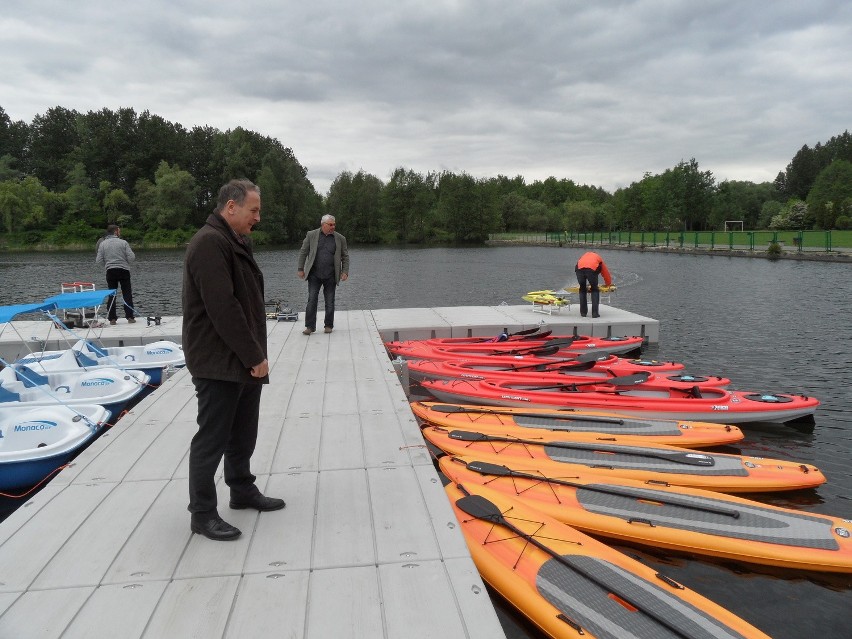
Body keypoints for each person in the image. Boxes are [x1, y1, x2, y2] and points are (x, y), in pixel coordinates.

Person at [182, 178, 284, 542]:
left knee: (243, 432)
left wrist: (253, 355)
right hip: (217, 359)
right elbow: (223, 308)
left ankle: (241, 490)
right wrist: (254, 355)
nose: (258, 217)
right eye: (253, 210)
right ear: (231, 207)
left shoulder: (235, 239)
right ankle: (203, 513)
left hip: (239, 357)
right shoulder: (210, 243)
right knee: (212, 437)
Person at [297, 214, 349, 335]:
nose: (333, 227)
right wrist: (300, 268)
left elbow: (345, 256)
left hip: (331, 275)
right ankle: (310, 327)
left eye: (334, 224)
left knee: (330, 301)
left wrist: (345, 271)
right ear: (323, 224)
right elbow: (303, 252)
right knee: (312, 300)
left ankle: (328, 325)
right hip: (314, 274)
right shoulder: (311, 235)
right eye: (330, 225)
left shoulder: (340, 238)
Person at [95, 224, 136, 324]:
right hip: (124, 270)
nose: (120, 232)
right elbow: (132, 257)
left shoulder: (103, 244)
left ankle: (112, 318)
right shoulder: (123, 243)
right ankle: (130, 317)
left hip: (110, 271)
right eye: (119, 230)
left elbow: (99, 261)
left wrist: (108, 264)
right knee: (127, 293)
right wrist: (125, 262)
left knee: (112, 294)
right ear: (115, 232)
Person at [574, 250, 612, 318]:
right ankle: (595, 313)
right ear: (595, 253)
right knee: (594, 289)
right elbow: (605, 273)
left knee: (582, 289)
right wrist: (608, 284)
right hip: (591, 270)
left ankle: (583, 313)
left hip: (579, 270)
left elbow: (577, 265)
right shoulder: (598, 258)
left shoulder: (584, 255)